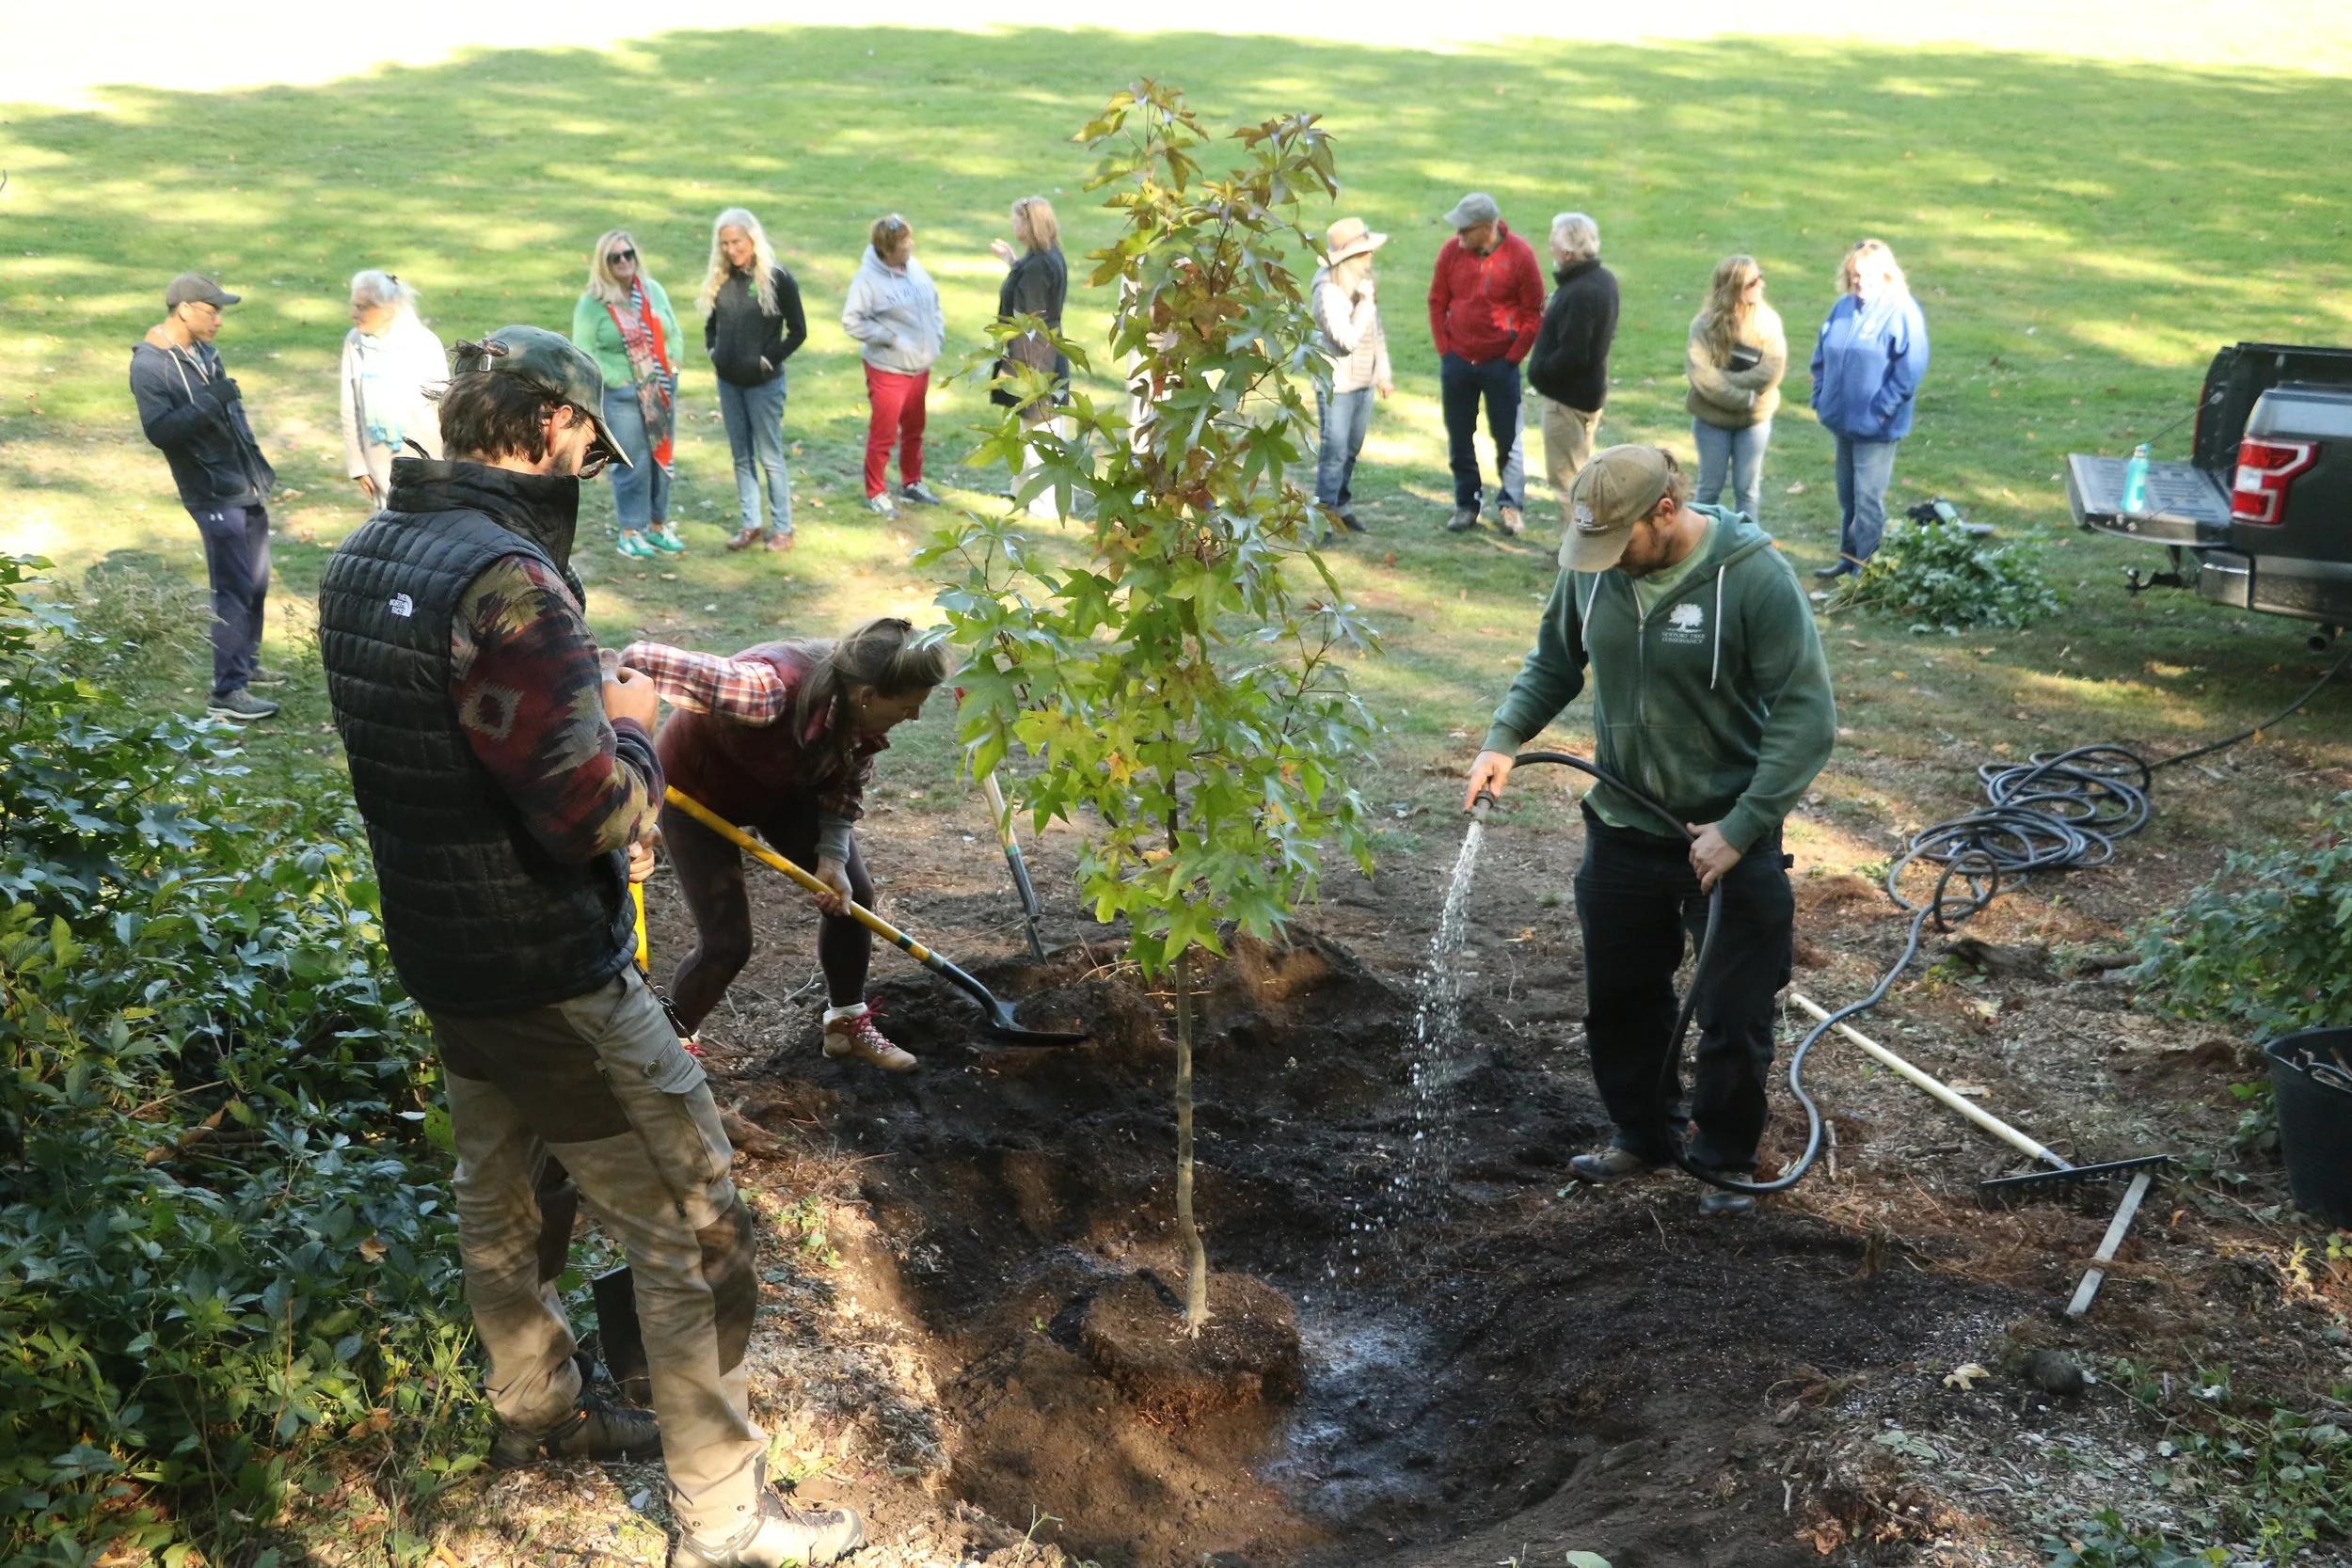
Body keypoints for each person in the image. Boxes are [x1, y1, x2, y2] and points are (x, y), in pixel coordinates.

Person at [316, 325, 864, 1568]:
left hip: (441, 948)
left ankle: (540, 1413)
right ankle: (724, 1519)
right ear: (553, 426)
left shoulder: (365, 553)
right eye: (590, 441)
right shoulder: (509, 582)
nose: (590, 466)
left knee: (499, 1185)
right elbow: (586, 812)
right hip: (547, 966)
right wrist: (630, 731)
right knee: (690, 1220)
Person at [1462, 445, 1836, 1218]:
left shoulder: (1753, 577)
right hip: (1624, 824)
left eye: (1616, 543)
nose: (1600, 561)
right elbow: (1554, 663)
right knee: (1621, 1000)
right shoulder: (1595, 567)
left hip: (1728, 837)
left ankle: (1725, 1156)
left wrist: (1742, 825)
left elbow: (1806, 716)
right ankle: (1643, 1135)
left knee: (1733, 1014)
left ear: (1665, 512)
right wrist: (1503, 738)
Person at [622, 619, 951, 1074]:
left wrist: (832, 858)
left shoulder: (859, 715)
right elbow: (638, 662)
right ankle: (668, 1049)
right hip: (697, 795)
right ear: (868, 694)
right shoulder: (764, 691)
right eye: (908, 705)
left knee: (851, 896)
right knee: (727, 943)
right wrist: (623, 769)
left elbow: (846, 788)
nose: (914, 716)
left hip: (783, 790)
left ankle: (847, 1025)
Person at [129, 272, 282, 722]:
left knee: (256, 581)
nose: (218, 320)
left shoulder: (201, 351)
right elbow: (160, 432)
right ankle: (227, 693)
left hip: (242, 483)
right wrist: (212, 400)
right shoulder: (150, 365)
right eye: (212, 311)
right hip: (211, 493)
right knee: (233, 589)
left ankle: (246, 665)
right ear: (184, 309)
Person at [1808, 239, 1930, 579]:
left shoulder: (1902, 312)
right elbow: (1822, 357)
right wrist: (1821, 396)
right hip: (1841, 422)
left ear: (1886, 274)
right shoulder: (1843, 308)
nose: (1859, 282)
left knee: (1868, 499)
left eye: (1866, 275)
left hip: (1878, 427)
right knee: (1848, 495)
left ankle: (1866, 566)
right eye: (1854, 275)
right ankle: (1848, 558)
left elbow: (1910, 370)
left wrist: (1882, 410)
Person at [1427, 192, 1544, 537]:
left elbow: (1534, 310)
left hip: (1500, 364)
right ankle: (1467, 504)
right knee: (1459, 435)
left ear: (1487, 228)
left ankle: (1511, 504)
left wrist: (1513, 356)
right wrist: (1444, 349)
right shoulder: (1451, 252)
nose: (1458, 234)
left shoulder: (1520, 255)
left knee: (1508, 437)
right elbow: (1436, 300)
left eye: (1465, 229)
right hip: (1458, 361)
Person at [698, 208, 808, 554]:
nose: (732, 249)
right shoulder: (722, 279)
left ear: (752, 239)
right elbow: (711, 325)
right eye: (725, 243)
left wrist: (767, 359)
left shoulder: (777, 279)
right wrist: (714, 351)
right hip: (729, 383)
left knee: (770, 456)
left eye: (737, 241)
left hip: (763, 385)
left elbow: (799, 331)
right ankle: (750, 523)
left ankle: (783, 527)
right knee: (740, 456)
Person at [572, 230, 684, 561]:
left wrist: (674, 361)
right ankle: (630, 532)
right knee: (633, 465)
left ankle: (657, 525)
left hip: (660, 389)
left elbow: (673, 331)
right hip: (623, 396)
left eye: (628, 254)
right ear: (603, 263)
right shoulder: (593, 303)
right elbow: (584, 351)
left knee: (662, 460)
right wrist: (619, 379)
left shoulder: (652, 292)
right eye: (614, 257)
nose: (623, 262)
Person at [841, 214, 946, 518]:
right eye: (904, 243)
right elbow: (851, 320)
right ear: (887, 251)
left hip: (919, 367)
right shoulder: (867, 280)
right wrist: (887, 337)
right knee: (884, 434)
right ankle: (876, 492)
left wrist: (937, 332)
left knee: (915, 429)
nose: (910, 245)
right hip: (888, 369)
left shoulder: (914, 266)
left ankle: (912, 481)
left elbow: (933, 301)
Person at [1525, 213, 1619, 529]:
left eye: (1553, 240)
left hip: (1568, 400)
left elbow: (1575, 353)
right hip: (1588, 394)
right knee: (1579, 475)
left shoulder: (1580, 291)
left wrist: (1541, 371)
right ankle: (1584, 548)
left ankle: (1579, 554)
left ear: (1567, 251)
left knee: (1567, 481)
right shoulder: (1603, 280)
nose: (1549, 246)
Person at [1685, 255, 1787, 522]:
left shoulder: (1768, 321)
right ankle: (1696, 551)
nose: (1762, 284)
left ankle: (1748, 551)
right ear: (1734, 287)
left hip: (1754, 420)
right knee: (1709, 489)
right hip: (1712, 421)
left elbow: (1772, 369)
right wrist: (1744, 397)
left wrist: (1724, 381)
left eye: (1761, 276)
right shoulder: (1703, 325)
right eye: (1753, 281)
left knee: (1748, 491)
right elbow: (1701, 376)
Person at [1309, 215, 1393, 538]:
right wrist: (1365, 305)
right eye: (1366, 252)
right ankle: (1324, 516)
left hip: (1365, 380)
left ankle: (1341, 506)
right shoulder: (1327, 291)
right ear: (1350, 258)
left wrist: (1383, 373)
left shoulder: (1362, 283)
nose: (1371, 257)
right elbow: (1345, 341)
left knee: (1352, 447)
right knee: (1334, 451)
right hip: (1338, 384)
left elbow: (1375, 331)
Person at [988, 196, 1070, 518]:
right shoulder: (1045, 257)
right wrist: (1012, 261)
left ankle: (1044, 505)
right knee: (1032, 429)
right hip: (1046, 353)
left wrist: (1013, 368)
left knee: (1039, 433)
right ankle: (1022, 492)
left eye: (1017, 221)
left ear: (1028, 224)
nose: (1013, 226)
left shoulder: (1037, 267)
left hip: (1036, 360)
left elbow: (1029, 322)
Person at [341, 270, 447, 506]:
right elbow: (351, 408)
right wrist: (358, 466)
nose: (353, 314)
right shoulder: (355, 342)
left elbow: (443, 409)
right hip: (378, 463)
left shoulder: (424, 343)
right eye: (354, 306)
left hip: (425, 465)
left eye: (361, 307)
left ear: (387, 309)